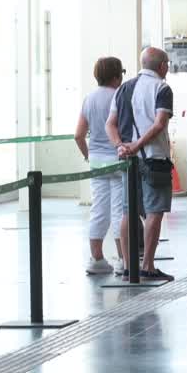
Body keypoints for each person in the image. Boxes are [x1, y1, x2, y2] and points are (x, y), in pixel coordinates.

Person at [107, 47, 176, 282]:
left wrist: (121, 146)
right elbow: (159, 125)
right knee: (155, 212)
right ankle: (147, 265)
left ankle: (128, 267)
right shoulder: (162, 88)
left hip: (129, 160)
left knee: (128, 211)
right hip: (154, 158)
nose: (168, 67)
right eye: (167, 63)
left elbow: (110, 124)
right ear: (161, 66)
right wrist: (137, 145)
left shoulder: (124, 88)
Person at [74, 56, 125, 275]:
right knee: (120, 210)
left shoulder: (89, 99)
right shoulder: (120, 97)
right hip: (119, 159)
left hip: (96, 161)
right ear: (116, 75)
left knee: (99, 210)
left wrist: (89, 156)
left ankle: (96, 260)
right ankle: (124, 260)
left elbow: (78, 135)